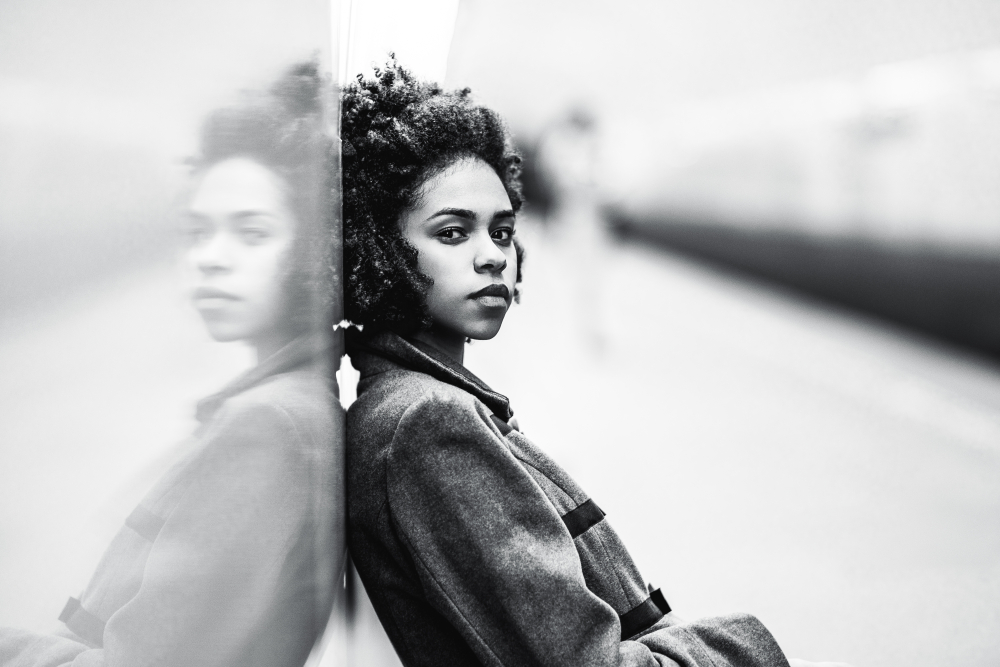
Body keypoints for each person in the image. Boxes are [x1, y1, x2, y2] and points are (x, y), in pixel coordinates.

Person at [342, 60, 850, 667]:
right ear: (376, 245)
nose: (493, 257)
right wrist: (739, 648)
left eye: (501, 232)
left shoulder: (418, 403)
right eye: (452, 233)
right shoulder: (428, 425)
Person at [0, 62, 343, 667]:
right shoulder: (290, 405)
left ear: (319, 249)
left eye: (251, 233)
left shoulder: (271, 429)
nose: (211, 257)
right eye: (198, 231)